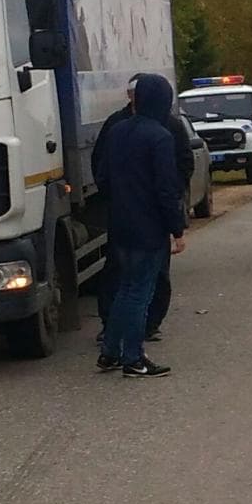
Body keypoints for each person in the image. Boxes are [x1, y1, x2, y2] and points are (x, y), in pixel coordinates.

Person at [95, 74, 187, 377]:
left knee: (123, 288)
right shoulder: (160, 136)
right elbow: (166, 188)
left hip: (119, 222)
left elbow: (104, 176)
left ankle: (110, 351)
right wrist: (177, 228)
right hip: (148, 227)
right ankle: (133, 357)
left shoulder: (117, 131)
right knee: (140, 292)